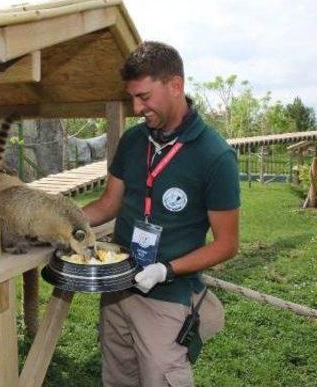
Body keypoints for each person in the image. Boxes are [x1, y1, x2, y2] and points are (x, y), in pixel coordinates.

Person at [82, 41, 240, 387]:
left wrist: (165, 270)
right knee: (118, 375)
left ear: (175, 86)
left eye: (144, 96)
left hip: (166, 299)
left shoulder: (214, 155)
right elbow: (109, 204)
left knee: (160, 378)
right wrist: (67, 222)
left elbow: (227, 244)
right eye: (133, 98)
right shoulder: (133, 140)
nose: (137, 107)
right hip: (118, 288)